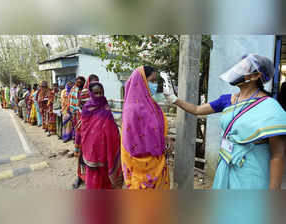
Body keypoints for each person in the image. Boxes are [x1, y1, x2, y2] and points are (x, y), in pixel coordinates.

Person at [163, 54, 286, 189]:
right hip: (226, 165)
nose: (236, 70)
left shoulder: (270, 107)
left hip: (252, 173)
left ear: (255, 76)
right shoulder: (227, 100)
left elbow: (278, 156)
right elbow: (197, 110)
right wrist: (174, 99)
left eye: (242, 68)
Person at [121, 66, 170, 190]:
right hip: (139, 166)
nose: (155, 84)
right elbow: (130, 141)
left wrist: (165, 139)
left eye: (155, 81)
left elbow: (157, 128)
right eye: (152, 81)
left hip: (158, 161)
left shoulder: (151, 104)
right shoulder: (131, 109)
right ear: (142, 81)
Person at [80, 82, 123, 189]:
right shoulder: (87, 108)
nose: (99, 95)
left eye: (100, 93)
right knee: (94, 179)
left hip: (105, 149)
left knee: (105, 178)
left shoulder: (105, 106)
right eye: (96, 93)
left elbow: (111, 126)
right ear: (91, 94)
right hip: (91, 150)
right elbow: (84, 129)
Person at [72, 74, 99, 189]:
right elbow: (81, 110)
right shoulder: (84, 94)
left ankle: (93, 178)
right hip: (85, 128)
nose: (95, 85)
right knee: (82, 155)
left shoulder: (99, 93)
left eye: (97, 82)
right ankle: (80, 177)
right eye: (93, 82)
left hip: (97, 129)